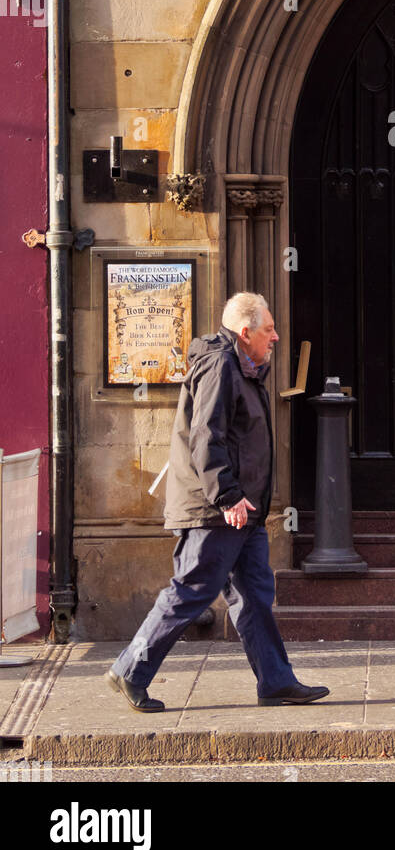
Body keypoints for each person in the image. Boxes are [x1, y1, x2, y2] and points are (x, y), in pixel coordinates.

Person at [107, 292, 329, 712]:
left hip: (242, 511)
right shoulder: (220, 365)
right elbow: (207, 436)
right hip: (216, 509)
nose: (276, 337)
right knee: (192, 589)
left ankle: (276, 682)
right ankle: (130, 670)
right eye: (268, 329)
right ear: (245, 333)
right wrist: (227, 495)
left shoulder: (243, 367)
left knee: (254, 595)